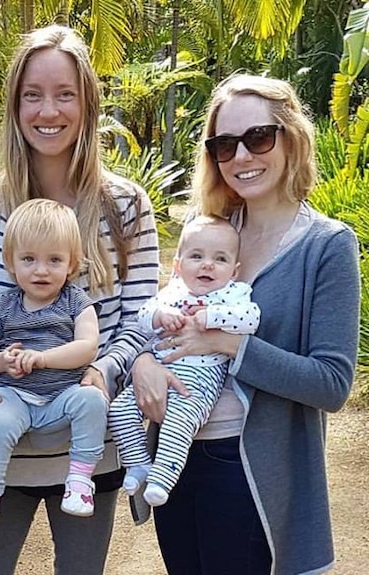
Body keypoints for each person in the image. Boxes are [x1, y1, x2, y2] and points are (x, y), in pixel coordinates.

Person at [0, 25, 160, 574]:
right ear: (14, 105)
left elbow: (140, 321)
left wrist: (103, 371)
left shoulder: (127, 206)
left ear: (87, 103)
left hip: (88, 445)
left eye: (64, 94)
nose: (48, 110)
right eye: (32, 95)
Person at [130, 74, 360, 574]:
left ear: (291, 137)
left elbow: (331, 383)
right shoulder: (210, 233)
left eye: (258, 138)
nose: (241, 157)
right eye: (224, 145)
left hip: (248, 465)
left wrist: (231, 344)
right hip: (176, 453)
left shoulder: (327, 246)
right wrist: (143, 361)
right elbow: (162, 314)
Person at [0, 198, 105, 534]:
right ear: (10, 262)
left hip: (62, 396)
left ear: (71, 264)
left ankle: (80, 481)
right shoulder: (3, 306)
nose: (41, 270)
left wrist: (43, 358)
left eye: (54, 259)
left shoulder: (75, 301)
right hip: (15, 396)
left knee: (93, 400)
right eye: (29, 259)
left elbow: (87, 346)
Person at [108, 215, 260, 507]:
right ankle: (138, 463)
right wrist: (159, 317)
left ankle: (162, 479)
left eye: (220, 259)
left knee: (179, 422)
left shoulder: (232, 294)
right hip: (160, 369)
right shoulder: (172, 292)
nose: (207, 265)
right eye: (196, 256)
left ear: (234, 270)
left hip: (201, 379)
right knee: (120, 411)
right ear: (178, 265)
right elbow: (142, 317)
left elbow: (251, 319)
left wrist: (212, 317)